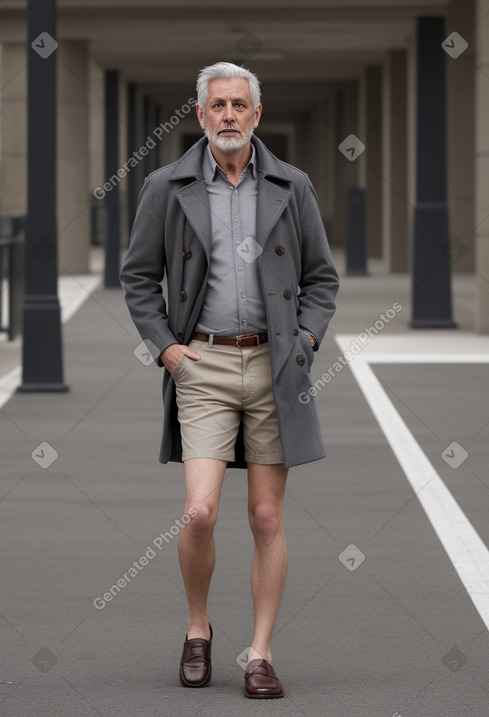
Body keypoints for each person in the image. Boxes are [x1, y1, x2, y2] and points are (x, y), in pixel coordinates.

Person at [120, 61, 339, 699]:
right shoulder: (168, 185)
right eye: (217, 105)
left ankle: (261, 653)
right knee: (198, 511)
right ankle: (197, 630)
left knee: (267, 517)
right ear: (200, 114)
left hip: (275, 367)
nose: (229, 116)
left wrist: (304, 341)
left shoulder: (292, 186)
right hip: (203, 365)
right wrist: (168, 351)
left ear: (257, 115)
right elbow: (138, 278)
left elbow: (321, 279)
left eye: (240, 105)